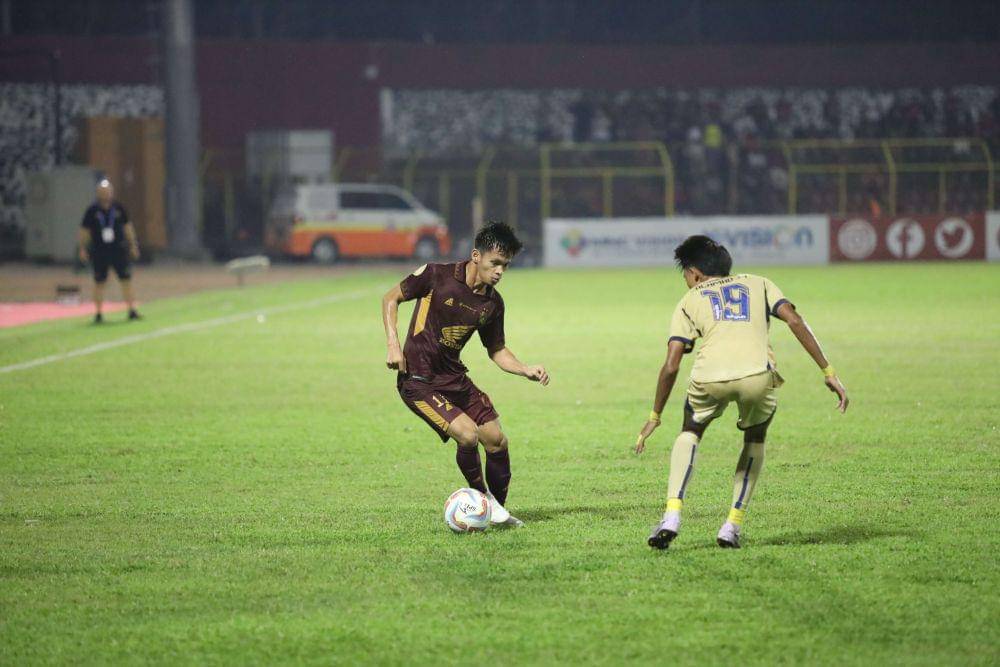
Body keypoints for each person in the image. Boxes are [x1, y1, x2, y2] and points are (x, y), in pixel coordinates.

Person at [635, 235, 848, 549]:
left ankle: (672, 516)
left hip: (710, 377)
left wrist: (655, 415)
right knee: (754, 437)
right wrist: (828, 372)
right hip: (756, 376)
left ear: (693, 273)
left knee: (690, 430)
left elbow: (671, 364)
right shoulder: (759, 283)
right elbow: (794, 319)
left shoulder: (689, 299)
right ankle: (731, 526)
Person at [382, 222, 549, 527]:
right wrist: (393, 344)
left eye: (505, 266)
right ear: (476, 255)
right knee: (468, 434)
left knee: (497, 440)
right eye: (494, 263)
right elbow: (390, 298)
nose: (499, 272)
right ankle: (483, 501)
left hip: (454, 379)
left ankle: (498, 512)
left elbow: (496, 349)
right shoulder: (436, 275)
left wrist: (524, 368)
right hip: (418, 380)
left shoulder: (492, 304)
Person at [77, 179, 141, 323]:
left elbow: (128, 227)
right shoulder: (92, 211)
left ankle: (131, 310)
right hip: (99, 251)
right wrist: (82, 248)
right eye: (102, 191)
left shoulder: (119, 208)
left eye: (108, 191)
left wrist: (133, 245)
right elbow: (84, 231)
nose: (105, 194)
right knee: (99, 281)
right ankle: (98, 313)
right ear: (98, 193)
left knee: (126, 279)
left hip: (118, 249)